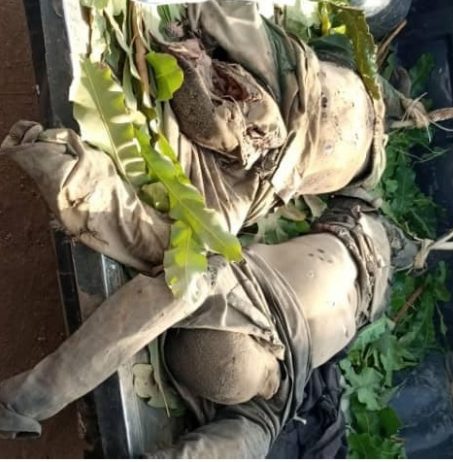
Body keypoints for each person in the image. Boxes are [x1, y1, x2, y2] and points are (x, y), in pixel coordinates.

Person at [0, 1, 423, 457]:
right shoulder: (356, 312)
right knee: (187, 260)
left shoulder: (356, 199)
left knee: (191, 252)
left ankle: (235, 127)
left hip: (290, 136)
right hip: (271, 371)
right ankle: (24, 401)